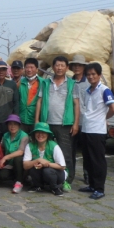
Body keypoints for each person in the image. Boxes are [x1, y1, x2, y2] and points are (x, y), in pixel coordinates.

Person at [35, 55, 79, 190]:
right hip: (46, 124)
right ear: (53, 67)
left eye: (62, 65)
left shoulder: (72, 84)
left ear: (67, 68)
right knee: (45, 152)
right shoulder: (46, 83)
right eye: (57, 65)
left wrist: (75, 124)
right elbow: (39, 101)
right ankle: (47, 178)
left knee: (66, 153)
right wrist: (37, 120)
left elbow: (76, 104)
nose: (59, 68)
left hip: (64, 124)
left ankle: (67, 180)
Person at [78, 63, 114, 200]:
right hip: (86, 129)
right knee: (88, 159)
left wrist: (103, 118)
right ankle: (92, 185)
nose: (91, 77)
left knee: (97, 160)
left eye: (93, 74)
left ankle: (99, 189)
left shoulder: (104, 90)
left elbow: (113, 109)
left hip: (97, 131)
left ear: (99, 75)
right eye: (88, 74)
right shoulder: (88, 90)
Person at [23, 122, 67, 196]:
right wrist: (38, 160)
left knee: (47, 171)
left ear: (48, 135)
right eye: (38, 132)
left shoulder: (54, 146)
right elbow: (25, 166)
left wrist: (47, 164)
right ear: (34, 134)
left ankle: (54, 188)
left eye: (43, 132)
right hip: (42, 173)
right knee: (33, 168)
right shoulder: (30, 145)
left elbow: (62, 166)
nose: (40, 135)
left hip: (57, 174)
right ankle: (38, 186)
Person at [70, 54, 90, 184]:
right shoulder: (69, 82)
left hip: (86, 122)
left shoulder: (89, 82)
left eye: (79, 65)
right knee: (71, 149)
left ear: (83, 67)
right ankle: (70, 174)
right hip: (71, 121)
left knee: (86, 150)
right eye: (75, 65)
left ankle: (87, 174)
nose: (77, 67)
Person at [0, 114, 28, 194]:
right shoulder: (5, 135)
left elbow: (21, 151)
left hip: (21, 164)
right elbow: (1, 148)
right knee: (2, 176)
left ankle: (19, 182)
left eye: (15, 124)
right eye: (10, 124)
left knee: (17, 159)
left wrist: (6, 157)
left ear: (19, 125)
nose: (12, 126)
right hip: (10, 164)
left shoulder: (24, 136)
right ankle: (19, 178)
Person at [19, 58, 46, 135]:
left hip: (36, 120)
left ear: (37, 69)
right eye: (27, 67)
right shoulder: (20, 83)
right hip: (22, 120)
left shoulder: (43, 83)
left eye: (31, 67)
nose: (29, 70)